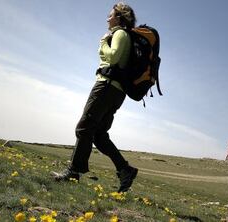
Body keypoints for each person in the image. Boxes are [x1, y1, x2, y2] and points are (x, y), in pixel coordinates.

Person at [52, 2, 138, 193]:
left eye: (110, 15)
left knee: (84, 128)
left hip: (106, 87)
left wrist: (102, 43)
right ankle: (125, 170)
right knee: (98, 135)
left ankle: (73, 172)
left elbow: (114, 57)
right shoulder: (123, 35)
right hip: (115, 92)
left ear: (119, 17)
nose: (107, 18)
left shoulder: (120, 34)